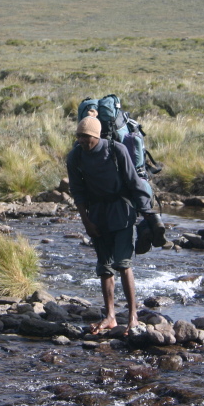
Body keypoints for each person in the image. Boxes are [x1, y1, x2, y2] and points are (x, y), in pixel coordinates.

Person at [66, 116, 164, 336]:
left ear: (97, 136)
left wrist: (148, 214)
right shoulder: (75, 157)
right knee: (104, 267)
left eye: (86, 137)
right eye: (79, 136)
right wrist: (86, 221)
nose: (82, 140)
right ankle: (110, 316)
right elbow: (77, 191)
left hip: (121, 211)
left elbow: (133, 181)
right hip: (97, 214)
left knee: (123, 264)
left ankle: (132, 317)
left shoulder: (117, 150)